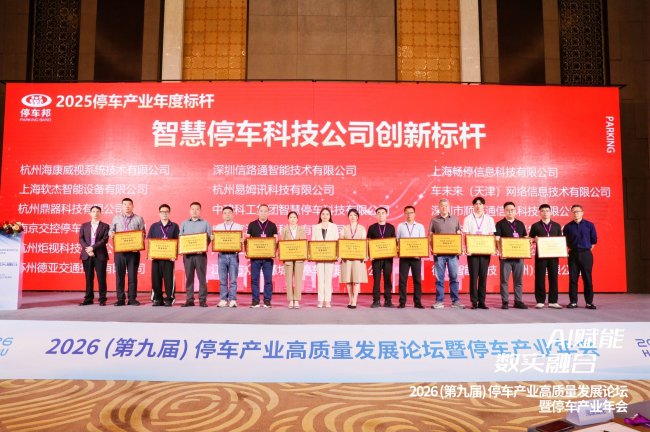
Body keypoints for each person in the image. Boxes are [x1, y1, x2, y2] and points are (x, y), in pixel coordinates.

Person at [429, 198, 465, 309]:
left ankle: (455, 301)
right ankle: (439, 301)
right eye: (442, 206)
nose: (444, 208)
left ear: (449, 207)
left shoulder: (455, 219)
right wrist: (432, 248)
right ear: (439, 207)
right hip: (439, 254)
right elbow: (431, 236)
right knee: (439, 278)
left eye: (446, 206)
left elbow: (459, 235)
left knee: (454, 277)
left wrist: (459, 248)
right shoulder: (434, 220)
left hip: (453, 254)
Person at [109, 198, 146, 306]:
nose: (127, 206)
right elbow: (111, 230)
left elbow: (143, 233)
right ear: (122, 206)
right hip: (120, 251)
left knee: (132, 276)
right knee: (119, 276)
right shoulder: (116, 218)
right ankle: (120, 299)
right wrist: (111, 234)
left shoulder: (139, 218)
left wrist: (138, 242)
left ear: (132, 206)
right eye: (125, 204)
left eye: (129, 204)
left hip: (133, 252)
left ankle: (132, 298)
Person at [462, 196, 496, 309]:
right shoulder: (468, 219)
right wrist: (467, 248)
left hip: (485, 252)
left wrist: (492, 249)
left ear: (484, 206)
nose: (478, 206)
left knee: (483, 276)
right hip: (472, 253)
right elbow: (466, 235)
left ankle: (482, 301)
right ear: (473, 206)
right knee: (473, 277)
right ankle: (474, 302)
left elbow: (491, 235)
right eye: (476, 204)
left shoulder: (489, 219)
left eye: (480, 204)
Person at [563, 204, 598, 309]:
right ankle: (573, 302)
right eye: (573, 212)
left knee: (587, 278)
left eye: (577, 211)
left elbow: (594, 241)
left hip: (586, 254)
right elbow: (564, 241)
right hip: (573, 254)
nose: (575, 213)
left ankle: (589, 302)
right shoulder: (568, 227)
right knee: (573, 279)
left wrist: (585, 251)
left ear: (582, 213)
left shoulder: (589, 225)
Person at [495, 201, 528, 309]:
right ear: (504, 211)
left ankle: (518, 301)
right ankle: (505, 301)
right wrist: (501, 252)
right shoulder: (500, 224)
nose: (510, 212)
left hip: (519, 257)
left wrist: (529, 243)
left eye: (512, 210)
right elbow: (497, 239)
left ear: (515, 211)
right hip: (505, 257)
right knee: (504, 280)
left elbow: (525, 238)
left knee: (518, 280)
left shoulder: (520, 224)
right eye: (508, 210)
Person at [529, 204, 563, 309]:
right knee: (540, 277)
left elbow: (560, 240)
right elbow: (530, 239)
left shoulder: (557, 226)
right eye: (543, 211)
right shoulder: (535, 226)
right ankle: (540, 301)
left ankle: (553, 301)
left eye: (547, 211)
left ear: (551, 212)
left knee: (553, 277)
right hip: (541, 256)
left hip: (553, 256)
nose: (545, 213)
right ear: (539, 213)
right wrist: (534, 240)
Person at [180, 202, 212, 307]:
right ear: (190, 211)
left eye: (197, 209)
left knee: (202, 278)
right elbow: (181, 238)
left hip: (200, 255)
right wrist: (183, 249)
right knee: (189, 277)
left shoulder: (205, 223)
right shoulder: (184, 223)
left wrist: (202, 247)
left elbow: (208, 238)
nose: (194, 211)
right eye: (192, 209)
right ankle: (189, 300)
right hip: (188, 255)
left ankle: (202, 300)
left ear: (200, 211)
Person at [147, 204, 180, 307]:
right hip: (156, 257)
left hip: (169, 258)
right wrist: (150, 254)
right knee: (155, 279)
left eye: (166, 212)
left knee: (169, 279)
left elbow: (177, 241)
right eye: (162, 212)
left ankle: (169, 299)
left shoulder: (174, 226)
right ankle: (157, 299)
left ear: (169, 213)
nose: (164, 213)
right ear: (159, 213)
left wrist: (174, 255)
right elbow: (150, 241)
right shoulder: (154, 226)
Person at [247, 204, 278, 308]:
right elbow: (247, 240)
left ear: (268, 213)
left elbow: (276, 241)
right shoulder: (252, 224)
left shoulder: (272, 225)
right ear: (258, 212)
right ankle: (255, 300)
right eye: (261, 211)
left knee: (268, 280)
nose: (263, 213)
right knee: (254, 280)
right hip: (255, 257)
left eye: (265, 211)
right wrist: (247, 251)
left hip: (268, 258)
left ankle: (267, 300)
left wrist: (274, 251)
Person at [78, 205, 110, 306]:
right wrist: (88, 249)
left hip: (100, 254)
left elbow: (104, 240)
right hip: (87, 254)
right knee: (89, 277)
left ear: (100, 213)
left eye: (98, 211)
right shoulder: (84, 225)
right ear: (90, 213)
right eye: (94, 211)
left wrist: (93, 248)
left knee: (101, 278)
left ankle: (102, 299)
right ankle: (88, 298)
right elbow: (81, 239)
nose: (95, 213)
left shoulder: (105, 226)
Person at [396, 205, 426, 309]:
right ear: (404, 214)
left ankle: (417, 302)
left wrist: (419, 254)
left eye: (411, 213)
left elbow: (422, 242)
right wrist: (398, 250)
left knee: (417, 280)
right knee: (402, 280)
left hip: (416, 257)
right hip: (404, 257)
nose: (409, 215)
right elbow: (397, 240)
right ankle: (402, 302)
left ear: (414, 214)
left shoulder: (420, 226)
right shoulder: (400, 226)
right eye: (407, 213)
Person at [367, 207, 396, 308]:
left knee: (387, 279)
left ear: (386, 214)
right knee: (376, 279)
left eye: (383, 213)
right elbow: (368, 242)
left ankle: (388, 300)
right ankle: (376, 301)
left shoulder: (391, 227)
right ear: (376, 215)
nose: (381, 215)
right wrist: (370, 255)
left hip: (388, 258)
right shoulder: (372, 227)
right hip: (376, 258)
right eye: (378, 213)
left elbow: (394, 242)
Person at [214, 206, 243, 308]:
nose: (227, 215)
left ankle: (233, 300)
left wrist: (241, 242)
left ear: (233, 214)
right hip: (222, 255)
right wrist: (214, 240)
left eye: (229, 213)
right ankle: (223, 300)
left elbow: (241, 241)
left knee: (233, 280)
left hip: (233, 255)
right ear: (222, 215)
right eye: (225, 213)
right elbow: (216, 241)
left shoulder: (238, 227)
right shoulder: (218, 227)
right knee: (222, 280)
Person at [340, 208, 368, 309]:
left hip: (358, 258)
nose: (353, 217)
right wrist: (340, 255)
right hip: (347, 258)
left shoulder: (362, 228)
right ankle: (350, 299)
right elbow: (341, 243)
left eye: (355, 215)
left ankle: (355, 300)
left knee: (356, 280)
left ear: (358, 217)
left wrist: (365, 255)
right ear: (348, 217)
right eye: (351, 215)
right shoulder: (344, 228)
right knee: (348, 280)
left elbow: (364, 243)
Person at [312, 207, 339, 308]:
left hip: (330, 256)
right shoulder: (316, 227)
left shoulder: (334, 227)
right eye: (323, 214)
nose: (325, 216)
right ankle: (320, 300)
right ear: (320, 216)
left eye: (327, 214)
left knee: (328, 279)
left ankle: (327, 300)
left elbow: (337, 241)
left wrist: (336, 254)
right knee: (320, 279)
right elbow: (313, 242)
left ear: (330, 216)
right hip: (319, 256)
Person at [279, 211, 306, 309]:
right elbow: (282, 243)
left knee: (298, 279)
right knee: (289, 279)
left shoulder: (301, 229)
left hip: (299, 258)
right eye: (291, 217)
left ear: (297, 219)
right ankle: (290, 300)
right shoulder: (284, 230)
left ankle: (297, 300)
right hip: (288, 258)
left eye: (294, 217)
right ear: (288, 219)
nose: (293, 219)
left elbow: (304, 243)